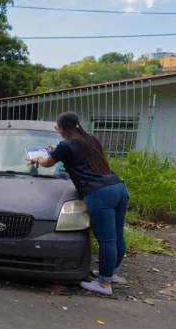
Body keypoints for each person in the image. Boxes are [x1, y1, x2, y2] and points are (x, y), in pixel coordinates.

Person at [29, 111, 129, 296]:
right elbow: (78, 156)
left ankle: (104, 284)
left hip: (99, 193)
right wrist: (56, 150)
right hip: (118, 187)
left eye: (57, 127)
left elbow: (47, 164)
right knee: (117, 236)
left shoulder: (65, 145)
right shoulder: (91, 140)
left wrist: (37, 158)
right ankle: (111, 274)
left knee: (106, 240)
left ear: (60, 128)